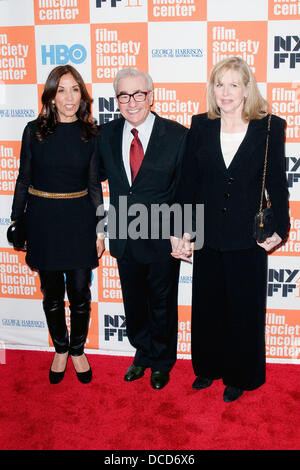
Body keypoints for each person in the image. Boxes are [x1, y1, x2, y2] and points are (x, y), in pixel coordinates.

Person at [171, 57, 289, 402]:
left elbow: (278, 185)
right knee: (207, 307)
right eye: (219, 84)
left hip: (248, 237)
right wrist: (180, 230)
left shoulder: (269, 127)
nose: (225, 92)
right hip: (207, 234)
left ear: (247, 89)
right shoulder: (200, 126)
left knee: (244, 309)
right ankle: (208, 367)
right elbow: (188, 183)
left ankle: (241, 374)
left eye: (234, 84)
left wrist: (280, 225)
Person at [10, 65, 104, 384]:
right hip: (42, 221)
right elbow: (23, 179)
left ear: (82, 94)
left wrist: (102, 229)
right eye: (61, 90)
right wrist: (16, 221)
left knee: (79, 292)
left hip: (80, 221)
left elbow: (94, 186)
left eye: (75, 89)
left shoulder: (91, 134)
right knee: (51, 293)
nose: (69, 97)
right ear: (50, 95)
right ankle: (60, 349)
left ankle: (77, 350)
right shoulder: (33, 131)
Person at [98, 68, 187, 390]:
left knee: (163, 302)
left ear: (151, 96)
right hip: (124, 233)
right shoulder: (105, 135)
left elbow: (186, 188)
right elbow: (91, 181)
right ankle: (143, 354)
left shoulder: (177, 135)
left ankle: (162, 362)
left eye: (138, 94)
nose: (131, 102)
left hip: (164, 237)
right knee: (133, 301)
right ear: (117, 100)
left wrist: (186, 232)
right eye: (124, 95)